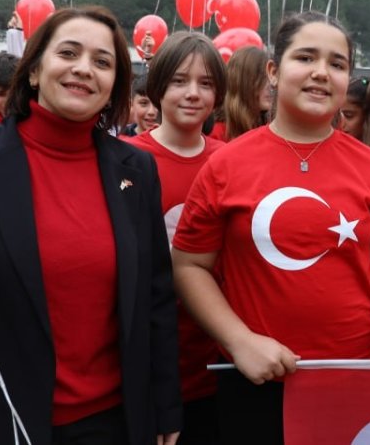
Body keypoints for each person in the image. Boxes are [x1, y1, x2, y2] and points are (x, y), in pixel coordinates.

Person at [0, 6, 182, 444]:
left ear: (112, 87)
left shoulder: (136, 168)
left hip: (111, 421)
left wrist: (165, 407)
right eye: (69, 53)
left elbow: (156, 297)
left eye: (103, 62)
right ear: (33, 71)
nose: (84, 69)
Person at [172, 12, 370, 444]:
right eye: (306, 57)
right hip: (255, 383)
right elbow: (189, 266)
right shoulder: (225, 164)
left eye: (337, 63)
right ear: (273, 72)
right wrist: (239, 341)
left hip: (355, 378)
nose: (321, 72)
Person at [130, 32, 226, 445]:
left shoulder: (232, 160)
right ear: (157, 87)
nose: (192, 94)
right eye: (179, 81)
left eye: (206, 83)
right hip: (147, 362)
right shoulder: (126, 160)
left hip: (218, 359)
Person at [217, 45, 271, 141]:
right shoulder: (218, 134)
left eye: (270, 77)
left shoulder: (267, 128)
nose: (270, 85)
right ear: (243, 83)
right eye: (263, 78)